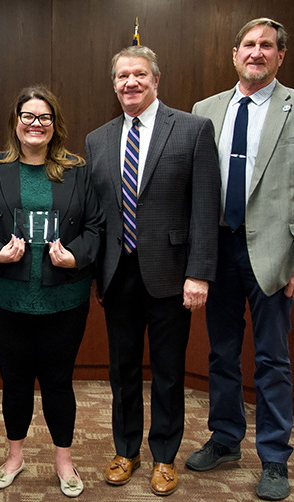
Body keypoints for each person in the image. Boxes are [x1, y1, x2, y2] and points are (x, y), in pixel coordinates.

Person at [185, 18, 294, 501]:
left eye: (266, 46)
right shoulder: (204, 110)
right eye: (248, 45)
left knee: (272, 360)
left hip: (274, 253)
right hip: (219, 248)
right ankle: (226, 438)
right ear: (234, 54)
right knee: (221, 353)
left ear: (280, 56)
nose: (257, 52)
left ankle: (274, 457)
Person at [86, 45, 220, 496]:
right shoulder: (98, 138)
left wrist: (199, 273)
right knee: (122, 371)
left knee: (167, 372)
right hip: (116, 275)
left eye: (139, 75)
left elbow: (205, 208)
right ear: (114, 84)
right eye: (122, 76)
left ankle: (164, 456)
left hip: (170, 274)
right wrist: (93, 275)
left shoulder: (193, 129)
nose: (130, 83)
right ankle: (126, 449)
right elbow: (97, 215)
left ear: (156, 80)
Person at [0, 86, 104, 498]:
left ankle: (64, 460)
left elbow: (97, 228)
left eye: (43, 117)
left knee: (59, 382)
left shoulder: (77, 169)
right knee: (15, 380)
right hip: (3, 297)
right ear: (16, 123)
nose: (35, 124)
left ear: (54, 124)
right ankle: (14, 456)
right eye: (27, 116)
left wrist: (76, 258)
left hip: (64, 297)